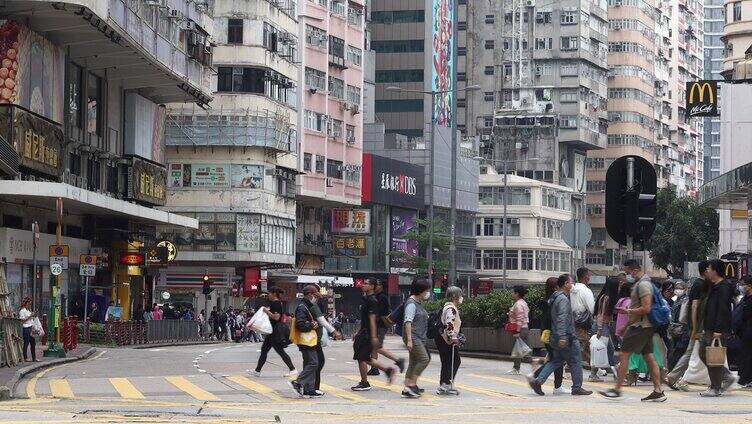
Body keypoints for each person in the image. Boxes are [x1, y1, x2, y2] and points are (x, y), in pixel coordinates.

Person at [599, 259, 666, 402]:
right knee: (649, 357)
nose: (626, 276)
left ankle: (617, 390)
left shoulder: (643, 285)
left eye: (628, 272)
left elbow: (646, 308)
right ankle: (658, 390)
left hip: (640, 327)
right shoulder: (641, 284)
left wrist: (627, 311)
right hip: (642, 326)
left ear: (635, 270)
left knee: (624, 355)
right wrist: (626, 324)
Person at [528, 274, 592, 396]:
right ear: (565, 284)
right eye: (571, 282)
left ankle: (538, 381)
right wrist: (563, 336)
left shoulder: (554, 298)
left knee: (556, 360)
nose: (572, 285)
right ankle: (577, 387)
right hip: (566, 336)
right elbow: (562, 318)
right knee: (576, 361)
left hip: (555, 335)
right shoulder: (563, 299)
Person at [697, 259, 737, 397]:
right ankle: (725, 377)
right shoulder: (714, 286)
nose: (707, 270)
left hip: (717, 328)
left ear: (715, 270)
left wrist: (718, 330)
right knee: (704, 353)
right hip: (710, 326)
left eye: (709, 268)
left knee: (712, 356)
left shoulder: (724, 287)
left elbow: (723, 309)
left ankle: (716, 387)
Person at [351, 278, 398, 391]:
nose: (363, 285)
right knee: (364, 357)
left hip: (367, 334)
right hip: (364, 332)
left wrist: (373, 337)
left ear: (372, 286)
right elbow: (365, 320)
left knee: (361, 358)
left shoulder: (372, 301)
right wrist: (358, 331)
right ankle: (387, 370)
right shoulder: (367, 299)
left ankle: (364, 382)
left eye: (366, 284)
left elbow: (372, 320)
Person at [531, 277, 567, 394]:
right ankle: (538, 378)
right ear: (556, 287)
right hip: (553, 333)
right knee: (556, 359)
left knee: (554, 358)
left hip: (545, 333)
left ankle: (555, 385)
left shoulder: (547, 300)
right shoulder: (556, 301)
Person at [254, 288, 297, 377]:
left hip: (275, 332)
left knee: (280, 351)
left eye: (269, 293)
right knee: (264, 351)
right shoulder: (274, 303)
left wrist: (266, 311)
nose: (268, 295)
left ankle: (292, 369)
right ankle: (257, 371)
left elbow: (276, 317)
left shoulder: (276, 303)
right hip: (271, 332)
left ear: (274, 294)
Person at [367, 280, 405, 376]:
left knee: (376, 347)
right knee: (374, 348)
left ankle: (397, 360)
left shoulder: (382, 298)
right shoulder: (375, 297)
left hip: (380, 326)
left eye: (378, 284)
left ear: (382, 287)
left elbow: (382, 313)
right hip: (377, 325)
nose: (376, 286)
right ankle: (375, 367)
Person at [402, 278, 432, 398]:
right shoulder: (411, 304)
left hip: (418, 336)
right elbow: (408, 322)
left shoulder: (418, 302)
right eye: (426, 290)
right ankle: (411, 385)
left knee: (414, 362)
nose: (428, 292)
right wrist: (409, 340)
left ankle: (406, 387)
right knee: (424, 359)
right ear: (420, 291)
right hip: (413, 337)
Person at [290, 285, 322, 398]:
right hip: (306, 341)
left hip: (308, 341)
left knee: (309, 363)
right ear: (310, 294)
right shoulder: (302, 307)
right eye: (315, 295)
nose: (316, 298)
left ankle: (309, 388)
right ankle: (298, 382)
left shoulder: (306, 306)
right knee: (314, 363)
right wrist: (312, 325)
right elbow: (300, 324)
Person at [590, 276, 619, 382]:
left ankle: (615, 373)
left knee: (609, 349)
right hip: (602, 326)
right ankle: (593, 374)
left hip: (604, 326)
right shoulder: (606, 298)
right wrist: (600, 328)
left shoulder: (606, 297)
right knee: (600, 350)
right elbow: (600, 314)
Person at [436, 286, 463, 395]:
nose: (461, 297)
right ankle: (445, 384)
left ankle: (444, 384)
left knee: (447, 362)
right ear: (454, 296)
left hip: (443, 338)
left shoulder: (448, 307)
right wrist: (453, 336)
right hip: (446, 339)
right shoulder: (450, 309)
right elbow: (449, 323)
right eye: (460, 295)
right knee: (454, 361)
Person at [571, 267, 595, 366]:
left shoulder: (573, 289)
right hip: (583, 323)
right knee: (582, 346)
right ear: (586, 277)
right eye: (589, 275)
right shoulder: (586, 291)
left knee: (585, 346)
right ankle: (569, 366)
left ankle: (595, 368)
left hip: (573, 321)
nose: (590, 277)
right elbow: (592, 309)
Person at [506, 285, 531, 375]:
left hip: (520, 329)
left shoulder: (519, 304)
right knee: (519, 350)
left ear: (517, 294)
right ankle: (516, 367)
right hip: (524, 328)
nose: (512, 294)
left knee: (520, 350)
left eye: (513, 292)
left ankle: (517, 368)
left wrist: (517, 331)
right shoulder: (523, 303)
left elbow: (520, 318)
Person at [734, 276, 752, 387]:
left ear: (749, 286)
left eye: (742, 284)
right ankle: (744, 378)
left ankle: (747, 379)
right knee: (744, 355)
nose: (740, 286)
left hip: (749, 332)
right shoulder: (745, 298)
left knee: (748, 356)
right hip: (744, 332)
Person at [19, 297, 39, 362]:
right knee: (26, 343)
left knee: (33, 343)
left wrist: (34, 315)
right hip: (26, 328)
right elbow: (22, 320)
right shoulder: (22, 311)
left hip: (31, 328)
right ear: (26, 303)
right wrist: (30, 316)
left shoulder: (28, 311)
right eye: (29, 304)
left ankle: (34, 358)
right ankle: (25, 357)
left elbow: (31, 319)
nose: (30, 305)